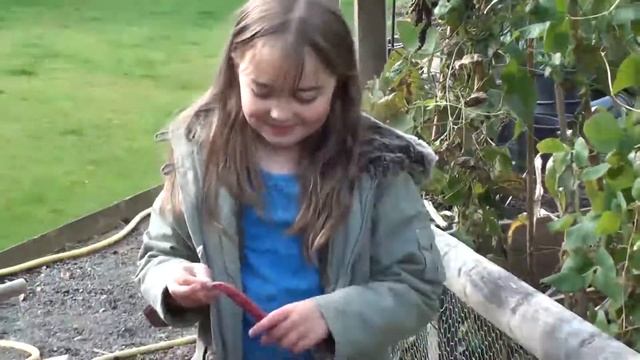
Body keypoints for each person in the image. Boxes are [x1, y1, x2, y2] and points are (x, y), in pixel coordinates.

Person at [135, 0, 445, 359]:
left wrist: (332, 317)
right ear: (236, 64)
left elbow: (419, 286)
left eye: (305, 96)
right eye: (262, 91)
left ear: (338, 83)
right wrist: (174, 281)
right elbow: (159, 253)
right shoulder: (202, 155)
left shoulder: (377, 168)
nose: (280, 112)